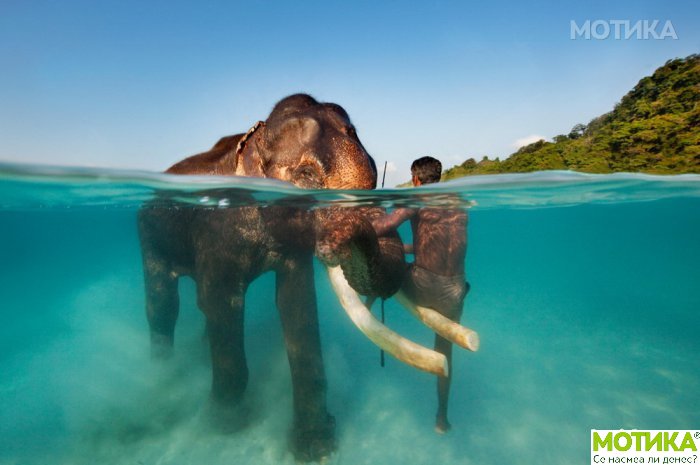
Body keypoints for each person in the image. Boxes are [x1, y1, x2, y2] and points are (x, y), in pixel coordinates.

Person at [371, 156, 469, 433]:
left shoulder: (416, 198)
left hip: (425, 287)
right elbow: (434, 242)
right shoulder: (458, 202)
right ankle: (442, 417)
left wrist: (360, 227)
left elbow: (383, 227)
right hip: (456, 291)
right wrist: (406, 248)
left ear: (415, 178)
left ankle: (371, 294)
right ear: (438, 176)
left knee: (387, 264)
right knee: (445, 351)